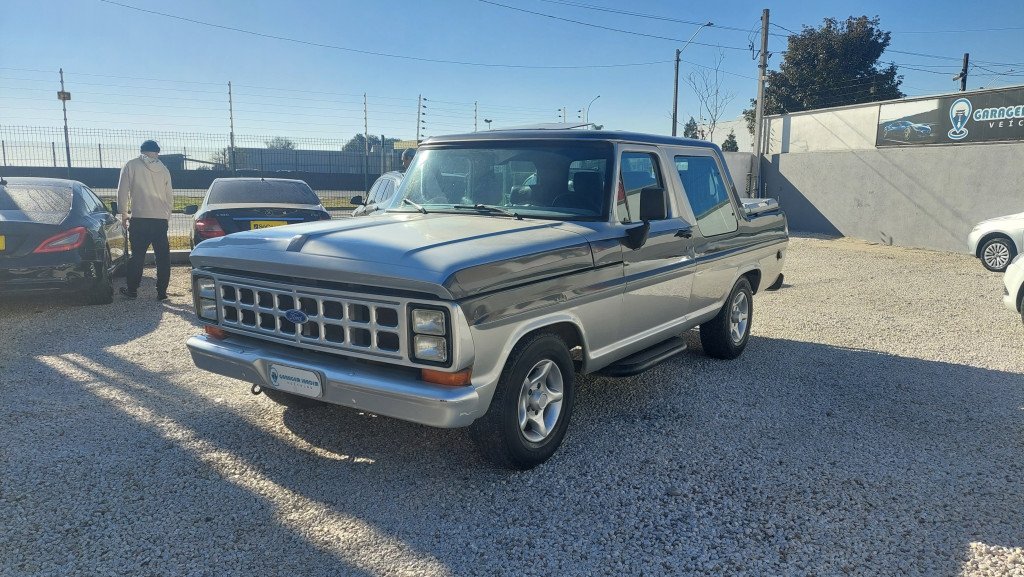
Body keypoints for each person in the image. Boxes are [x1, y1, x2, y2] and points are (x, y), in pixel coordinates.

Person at [117, 139, 173, 301]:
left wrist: (124, 213)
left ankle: (132, 290)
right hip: (160, 220)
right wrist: (166, 216)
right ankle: (162, 292)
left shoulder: (131, 165)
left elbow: (123, 191)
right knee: (163, 257)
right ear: (157, 152)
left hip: (140, 218)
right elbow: (169, 196)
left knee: (137, 256)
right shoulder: (164, 169)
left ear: (142, 151)